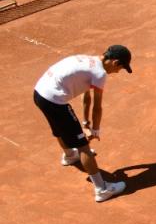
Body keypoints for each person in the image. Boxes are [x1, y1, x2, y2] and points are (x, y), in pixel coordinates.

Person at [32, 45, 133, 203]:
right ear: (115, 62)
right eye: (121, 68)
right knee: (83, 146)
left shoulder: (88, 61)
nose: (118, 72)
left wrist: (86, 124)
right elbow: (97, 106)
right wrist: (96, 131)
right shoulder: (99, 74)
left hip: (40, 93)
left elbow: (87, 98)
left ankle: (69, 155)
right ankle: (101, 189)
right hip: (54, 100)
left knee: (59, 129)